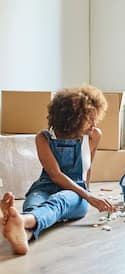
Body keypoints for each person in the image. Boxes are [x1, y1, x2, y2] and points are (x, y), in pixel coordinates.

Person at [0, 85, 114, 255]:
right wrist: (90, 197)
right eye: (89, 119)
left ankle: (19, 220)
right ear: (73, 118)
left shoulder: (93, 135)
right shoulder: (43, 138)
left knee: (59, 200)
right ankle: (23, 231)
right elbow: (55, 175)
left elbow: (87, 168)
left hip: (75, 193)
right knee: (34, 203)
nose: (94, 124)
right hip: (45, 186)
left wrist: (87, 194)